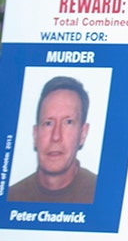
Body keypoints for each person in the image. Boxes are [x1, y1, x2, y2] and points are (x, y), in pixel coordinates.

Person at [8, 75, 97, 204]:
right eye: (48, 123)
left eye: (68, 122)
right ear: (35, 134)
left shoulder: (101, 196)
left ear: (83, 134)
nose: (56, 136)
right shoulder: (10, 198)